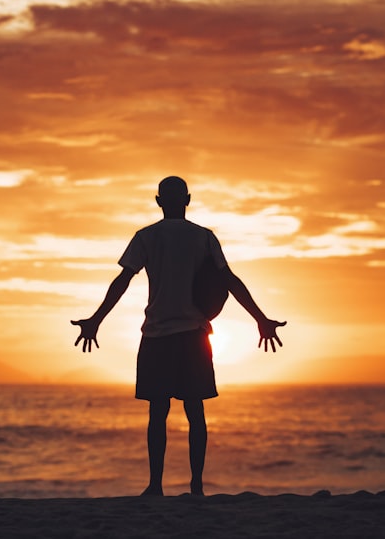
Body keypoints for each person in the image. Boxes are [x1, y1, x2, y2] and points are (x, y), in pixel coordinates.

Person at [71, 176, 287, 497]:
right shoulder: (204, 238)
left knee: (157, 413)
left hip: (157, 335)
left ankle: (155, 486)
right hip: (194, 336)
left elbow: (123, 280)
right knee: (195, 412)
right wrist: (261, 319)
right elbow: (229, 279)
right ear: (188, 199)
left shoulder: (146, 237)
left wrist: (96, 319)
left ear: (158, 201)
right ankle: (196, 487)